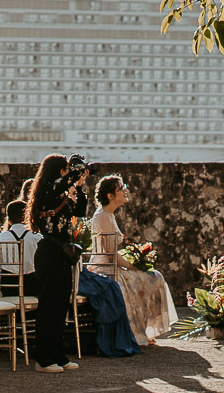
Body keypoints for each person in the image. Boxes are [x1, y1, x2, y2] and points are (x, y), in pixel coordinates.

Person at [86, 175, 177, 343]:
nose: (125, 190)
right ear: (110, 196)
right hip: (105, 269)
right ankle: (136, 332)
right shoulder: (103, 216)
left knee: (154, 276)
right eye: (121, 188)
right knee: (152, 277)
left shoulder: (108, 215)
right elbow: (110, 255)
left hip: (112, 265)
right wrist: (135, 267)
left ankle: (143, 330)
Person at [27, 154, 91, 374]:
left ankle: (57, 354)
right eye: (64, 169)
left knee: (61, 306)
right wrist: (76, 168)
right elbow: (66, 179)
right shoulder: (49, 190)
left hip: (62, 253)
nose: (68, 172)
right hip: (49, 252)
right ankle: (43, 357)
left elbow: (80, 211)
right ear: (57, 170)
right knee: (49, 306)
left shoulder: (61, 192)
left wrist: (81, 185)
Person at [0, 201, 41, 297]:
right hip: (33, 288)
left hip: (8, 289)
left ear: (9, 221)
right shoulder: (38, 238)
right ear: (28, 217)